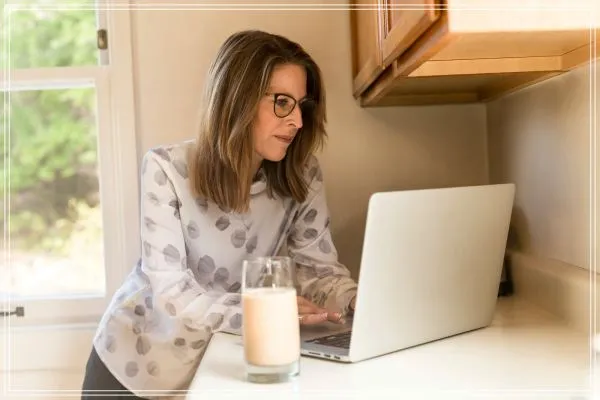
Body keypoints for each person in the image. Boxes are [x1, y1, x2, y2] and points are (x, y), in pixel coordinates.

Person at [81, 30, 358, 399]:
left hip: (214, 369)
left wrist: (357, 301)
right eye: (281, 102)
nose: (297, 121)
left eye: (301, 106)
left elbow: (318, 272)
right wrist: (265, 312)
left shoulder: (302, 176)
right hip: (132, 370)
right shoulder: (166, 169)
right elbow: (172, 293)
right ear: (237, 99)